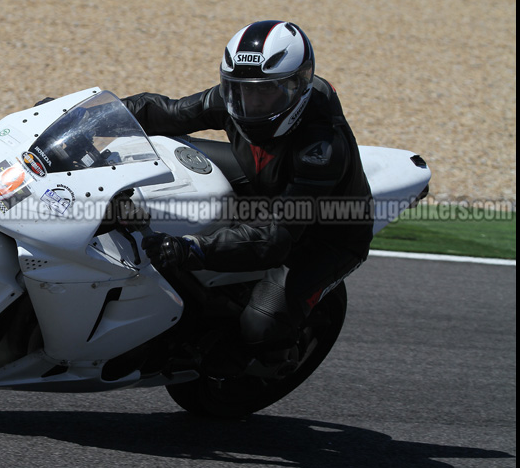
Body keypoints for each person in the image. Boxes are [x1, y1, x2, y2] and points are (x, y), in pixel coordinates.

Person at [122, 20, 374, 378]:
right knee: (166, 151)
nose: (250, 103)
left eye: (266, 93)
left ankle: (275, 359)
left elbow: (276, 239)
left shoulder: (321, 148)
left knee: (260, 325)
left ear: (297, 86)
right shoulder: (234, 97)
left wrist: (190, 247)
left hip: (325, 233)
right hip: (264, 185)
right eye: (239, 90)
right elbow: (168, 113)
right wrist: (87, 116)